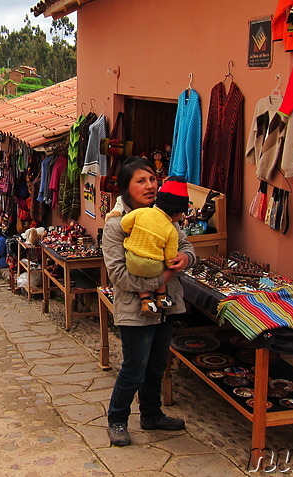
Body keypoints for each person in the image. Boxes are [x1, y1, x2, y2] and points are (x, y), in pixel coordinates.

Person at [102, 156, 194, 447]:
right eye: (141, 180)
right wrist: (163, 279)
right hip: (134, 310)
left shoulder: (164, 215)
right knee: (134, 367)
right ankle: (117, 419)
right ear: (126, 188)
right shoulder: (117, 224)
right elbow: (118, 275)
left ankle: (151, 415)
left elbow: (187, 245)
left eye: (153, 179)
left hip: (166, 307)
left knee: (156, 365)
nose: (150, 185)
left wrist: (185, 258)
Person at [121, 176, 190, 313]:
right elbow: (170, 256)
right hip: (153, 265)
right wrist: (171, 267)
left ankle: (145, 300)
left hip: (132, 259)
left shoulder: (141, 212)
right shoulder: (171, 229)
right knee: (162, 267)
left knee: (139, 273)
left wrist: (131, 231)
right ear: (176, 212)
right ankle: (161, 297)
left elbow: (124, 223)